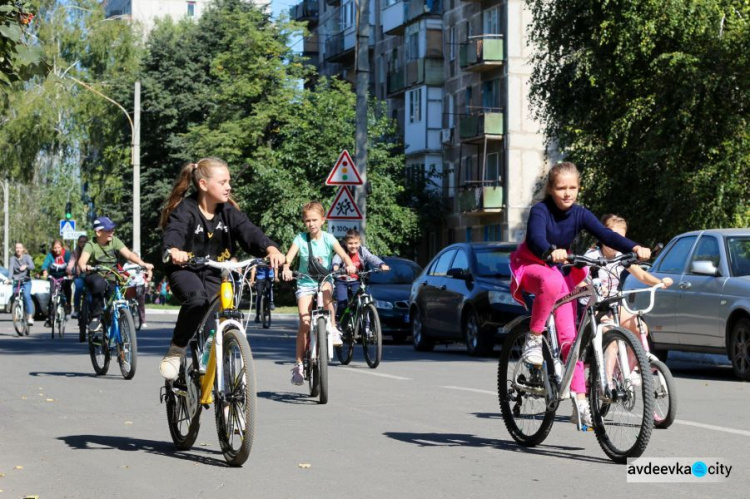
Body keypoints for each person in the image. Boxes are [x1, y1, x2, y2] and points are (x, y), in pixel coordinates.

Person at [509, 162, 651, 428]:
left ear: (578, 188)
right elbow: (536, 238)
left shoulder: (580, 214)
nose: (567, 193)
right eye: (561, 188)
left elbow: (606, 234)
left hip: (558, 270)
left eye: (572, 187)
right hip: (532, 266)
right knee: (551, 280)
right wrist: (551, 251)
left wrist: (634, 246)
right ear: (551, 189)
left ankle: (581, 400)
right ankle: (534, 336)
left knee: (570, 341)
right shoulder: (540, 211)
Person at [159, 157, 285, 380]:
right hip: (186, 270)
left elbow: (249, 231)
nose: (229, 187)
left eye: (229, 181)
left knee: (215, 330)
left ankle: (224, 399)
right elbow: (175, 232)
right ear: (204, 185)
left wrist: (271, 249)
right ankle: (177, 349)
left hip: (216, 273)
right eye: (223, 182)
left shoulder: (228, 212)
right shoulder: (186, 209)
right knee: (197, 300)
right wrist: (174, 250)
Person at [582, 214, 673, 389]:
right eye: (612, 237)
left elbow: (642, 275)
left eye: (621, 239)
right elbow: (578, 280)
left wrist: (660, 282)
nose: (616, 242)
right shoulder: (592, 255)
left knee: (641, 329)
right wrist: (588, 286)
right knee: (612, 334)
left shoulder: (620, 255)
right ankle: (606, 384)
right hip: (593, 307)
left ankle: (627, 371)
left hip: (613, 305)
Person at [281, 201, 356, 386]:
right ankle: (299, 364)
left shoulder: (329, 239)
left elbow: (344, 255)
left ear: (323, 220)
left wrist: (349, 264)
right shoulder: (300, 239)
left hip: (323, 280)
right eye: (307, 220)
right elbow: (288, 258)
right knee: (304, 323)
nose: (311, 224)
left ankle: (331, 327)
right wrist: (286, 268)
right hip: (305, 282)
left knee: (327, 293)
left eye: (314, 220)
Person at [77, 216, 154, 335]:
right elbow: (82, 260)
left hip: (112, 274)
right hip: (95, 273)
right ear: (98, 232)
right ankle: (96, 318)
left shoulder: (115, 241)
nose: (112, 232)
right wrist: (84, 266)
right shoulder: (90, 244)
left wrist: (142, 264)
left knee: (117, 292)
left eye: (112, 229)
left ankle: (118, 320)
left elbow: (128, 254)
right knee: (99, 284)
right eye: (108, 230)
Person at [331, 229, 390, 325]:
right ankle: (342, 324)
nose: (353, 246)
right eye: (350, 243)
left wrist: (381, 264)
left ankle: (363, 323)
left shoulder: (362, 251)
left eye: (356, 243)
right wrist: (335, 267)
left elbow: (372, 258)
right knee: (342, 302)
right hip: (342, 281)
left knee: (360, 301)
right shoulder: (342, 251)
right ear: (345, 243)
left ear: (360, 242)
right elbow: (336, 259)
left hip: (356, 280)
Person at [41, 239, 73, 327]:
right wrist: (44, 271)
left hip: (64, 276)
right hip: (54, 276)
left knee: (67, 289)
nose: (57, 250)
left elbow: (71, 263)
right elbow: (45, 263)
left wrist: (70, 273)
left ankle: (68, 305)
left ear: (62, 247)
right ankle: (50, 318)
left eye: (58, 247)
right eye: (55, 248)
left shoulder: (66, 254)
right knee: (52, 295)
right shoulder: (50, 255)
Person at [9, 242, 35, 325]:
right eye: (16, 248)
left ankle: (30, 317)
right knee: (14, 295)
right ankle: (16, 312)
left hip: (26, 281)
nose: (18, 249)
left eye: (20, 247)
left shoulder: (27, 257)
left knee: (26, 296)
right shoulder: (13, 258)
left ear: (23, 249)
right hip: (17, 281)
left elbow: (32, 266)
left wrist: (26, 266)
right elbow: (10, 270)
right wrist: (9, 279)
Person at [123, 252, 151, 328]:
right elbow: (122, 273)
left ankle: (143, 321)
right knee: (127, 302)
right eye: (130, 258)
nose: (131, 260)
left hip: (139, 285)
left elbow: (148, 270)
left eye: (133, 258)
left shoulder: (140, 264)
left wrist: (149, 277)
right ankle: (128, 319)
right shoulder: (125, 265)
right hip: (129, 286)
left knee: (141, 303)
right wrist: (123, 276)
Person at [66, 234, 89, 319]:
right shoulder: (75, 252)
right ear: (78, 243)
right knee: (78, 288)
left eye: (85, 242)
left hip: (89, 275)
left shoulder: (91, 250)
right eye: (81, 242)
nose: (83, 243)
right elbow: (71, 262)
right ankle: (76, 309)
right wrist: (69, 270)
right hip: (79, 276)